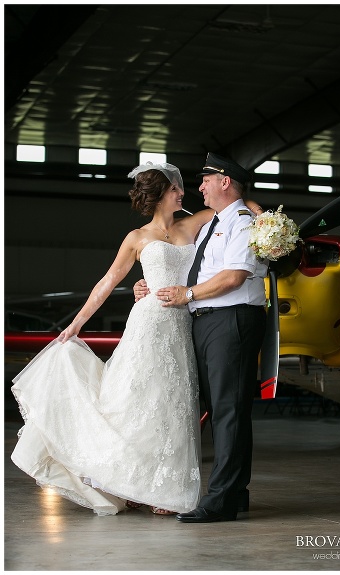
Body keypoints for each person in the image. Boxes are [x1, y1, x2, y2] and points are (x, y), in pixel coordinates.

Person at [11, 162, 218, 515]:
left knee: (175, 404)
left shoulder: (194, 223)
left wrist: (264, 217)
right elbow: (107, 283)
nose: (182, 193)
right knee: (138, 401)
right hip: (148, 324)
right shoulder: (136, 238)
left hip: (181, 325)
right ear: (157, 197)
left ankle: (164, 489)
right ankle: (131, 483)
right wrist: (75, 324)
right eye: (174, 189)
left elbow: (237, 207)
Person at [136, 152, 268, 523]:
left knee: (228, 411)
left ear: (224, 182)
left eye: (206, 179)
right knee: (225, 407)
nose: (200, 186)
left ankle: (222, 499)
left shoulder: (240, 221)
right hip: (209, 321)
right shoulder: (215, 222)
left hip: (232, 319)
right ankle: (235, 493)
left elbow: (234, 276)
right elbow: (188, 264)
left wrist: (187, 295)